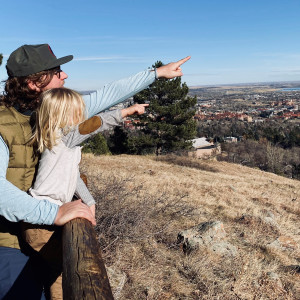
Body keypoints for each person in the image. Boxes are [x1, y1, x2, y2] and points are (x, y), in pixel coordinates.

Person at [0, 43, 190, 299]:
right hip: (7, 240)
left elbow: (107, 95)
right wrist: (54, 212)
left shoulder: (56, 112)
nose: (65, 75)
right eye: (57, 71)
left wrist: (156, 73)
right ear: (35, 82)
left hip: (41, 227)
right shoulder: (5, 124)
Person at [23, 87, 148, 299]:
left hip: (40, 219)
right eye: (76, 112)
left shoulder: (58, 140)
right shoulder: (64, 138)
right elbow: (95, 125)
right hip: (43, 223)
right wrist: (126, 112)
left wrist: (89, 200)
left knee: (50, 271)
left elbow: (73, 175)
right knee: (61, 274)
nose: (81, 116)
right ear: (61, 115)